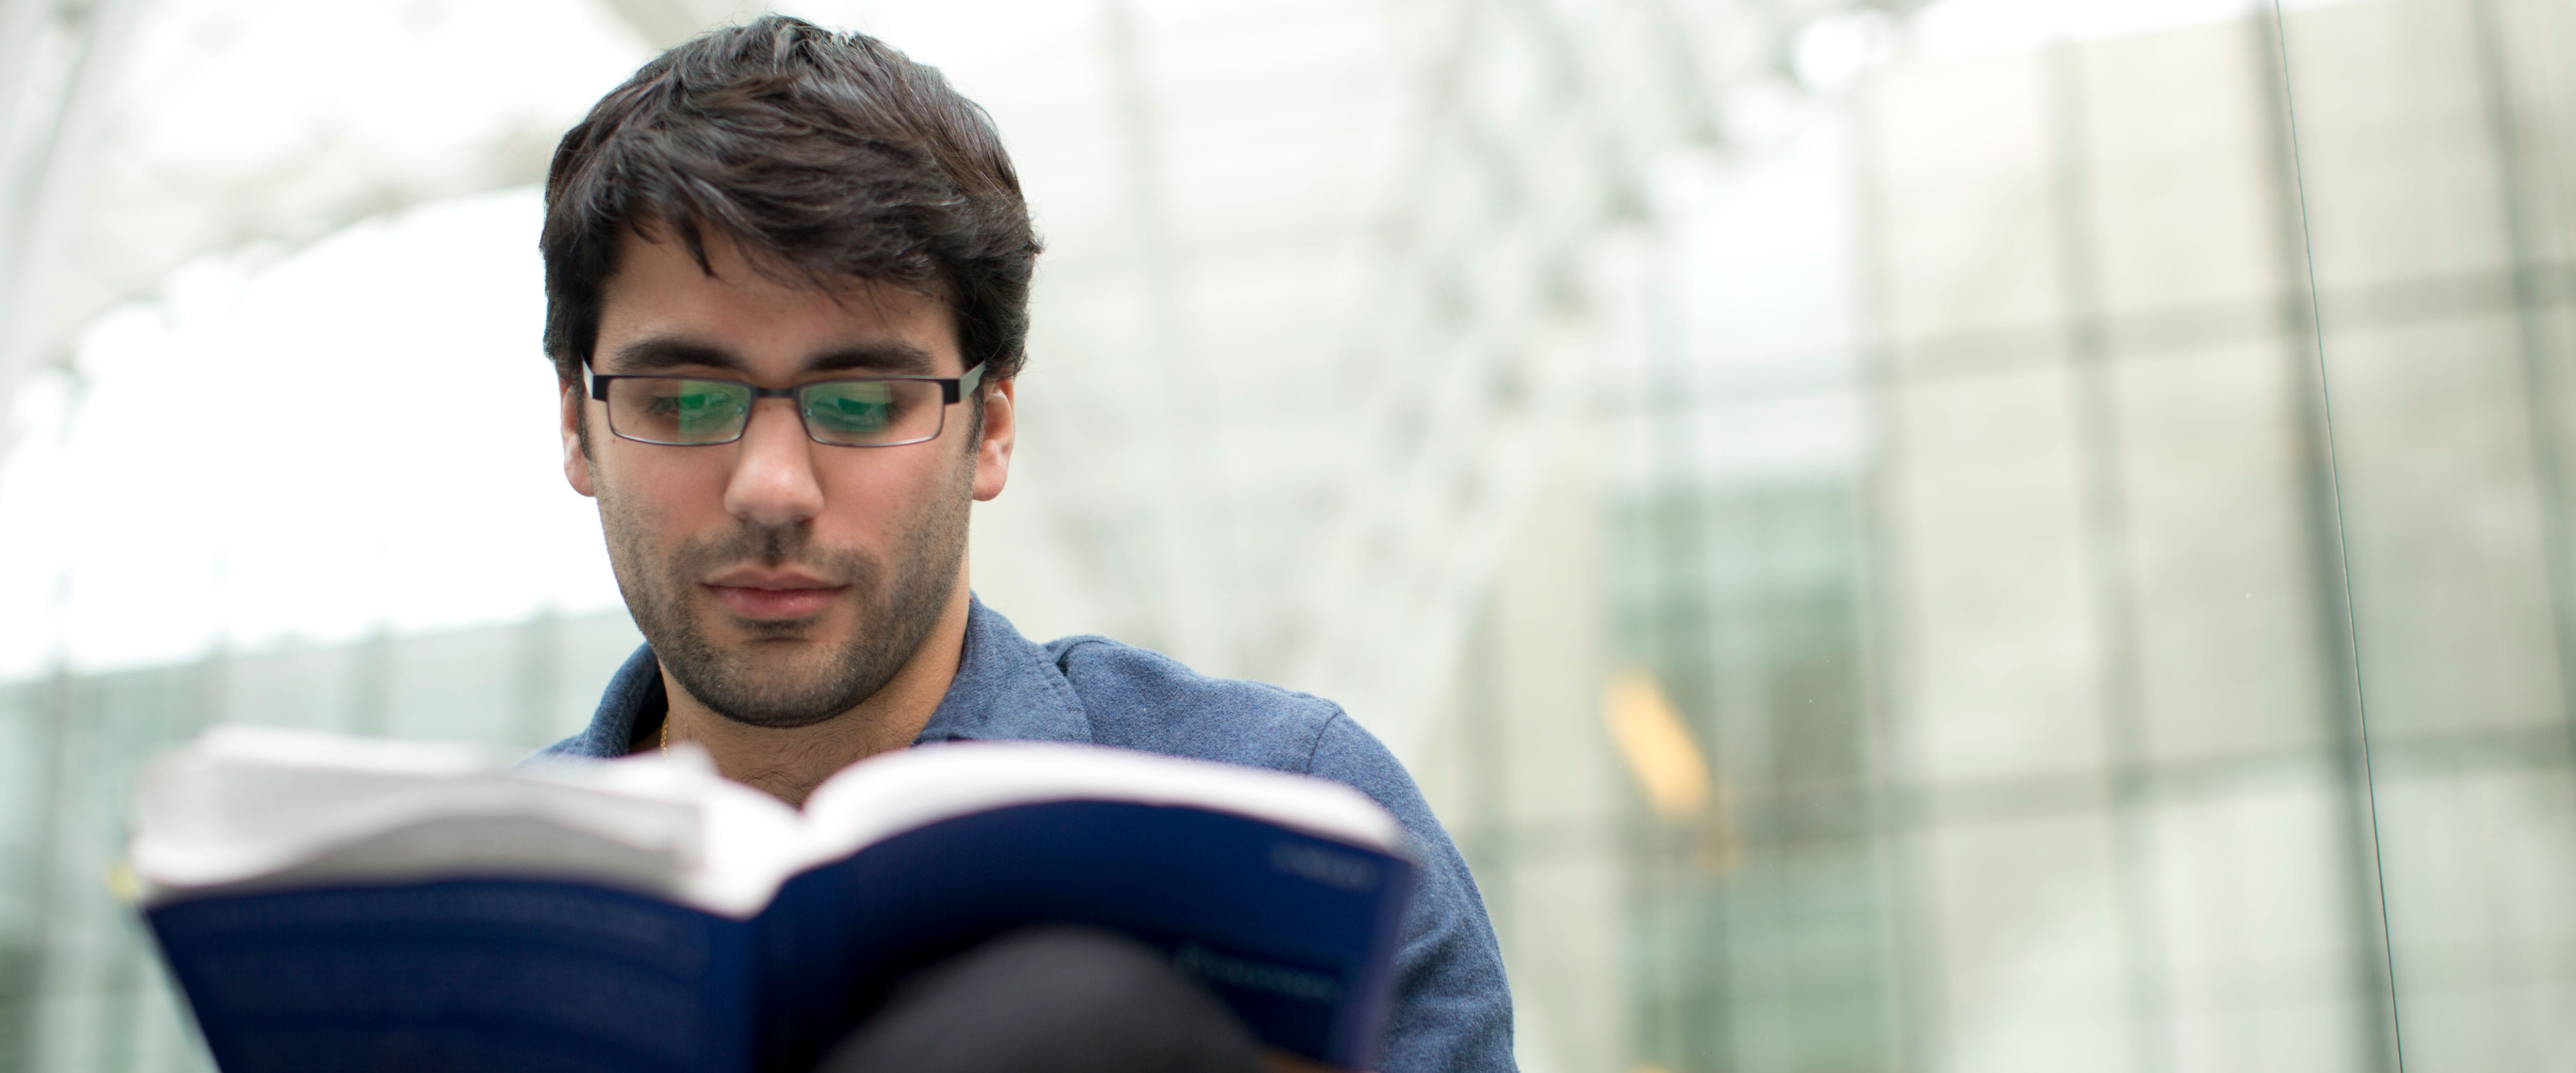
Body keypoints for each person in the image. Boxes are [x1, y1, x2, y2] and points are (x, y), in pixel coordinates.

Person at [531, 14, 1513, 1073]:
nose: (772, 488)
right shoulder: (462, 893)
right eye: (680, 398)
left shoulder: (1294, 817)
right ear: (576, 424)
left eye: (862, 401)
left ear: (990, 428)